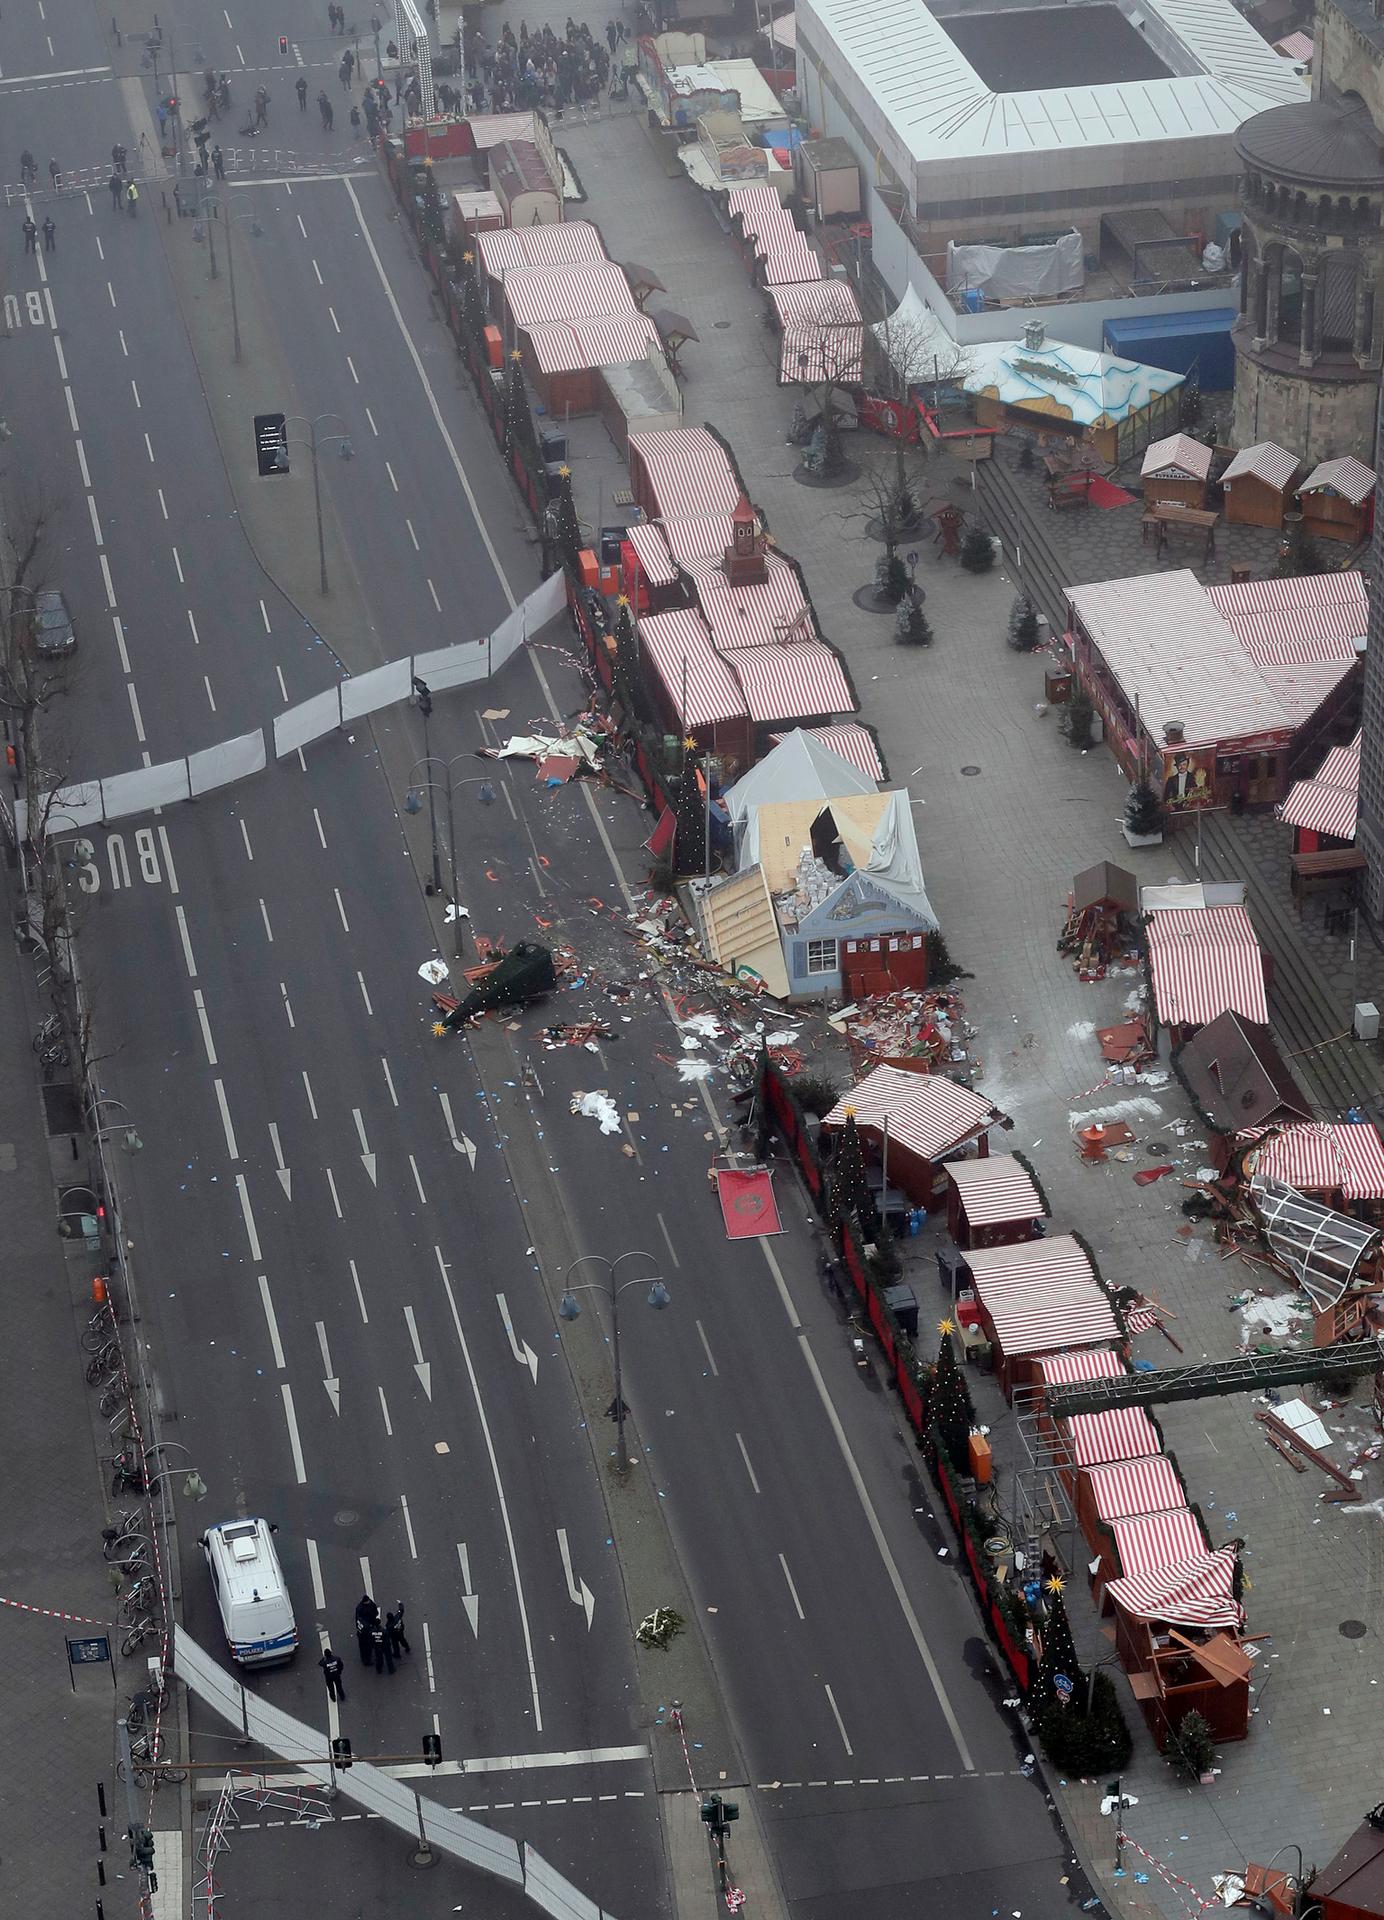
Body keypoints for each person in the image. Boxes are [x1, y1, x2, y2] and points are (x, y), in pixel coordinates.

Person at [354, 1593, 379, 1663]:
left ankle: (366, 1658)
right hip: (366, 1630)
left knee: (364, 1646)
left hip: (365, 1629)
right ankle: (367, 1660)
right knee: (366, 1646)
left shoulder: (360, 1607)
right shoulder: (363, 1608)